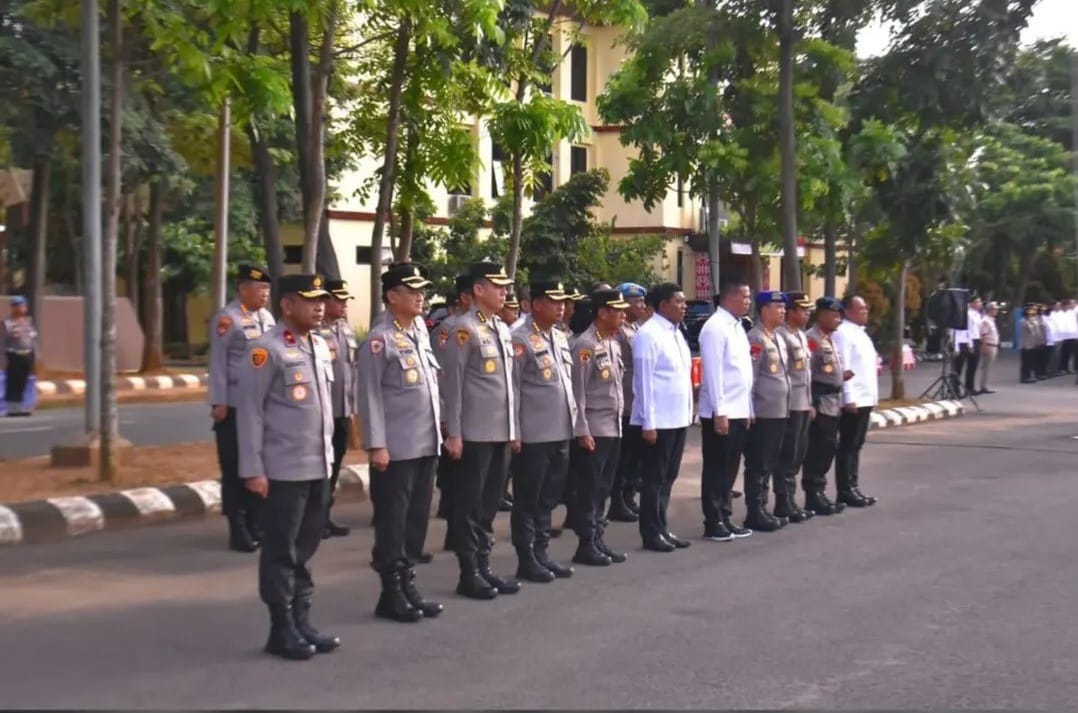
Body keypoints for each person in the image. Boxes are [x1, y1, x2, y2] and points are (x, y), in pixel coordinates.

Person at [237, 273, 338, 661]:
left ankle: (301, 618)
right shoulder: (266, 351)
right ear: (286, 305)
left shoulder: (319, 345)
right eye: (308, 300)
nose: (318, 306)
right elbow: (250, 414)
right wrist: (253, 469)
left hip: (317, 466)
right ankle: (281, 628)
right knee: (281, 550)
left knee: (305, 546)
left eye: (321, 300)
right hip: (281, 469)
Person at [356, 263, 444, 623]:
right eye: (413, 290)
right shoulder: (379, 340)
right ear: (393, 296)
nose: (421, 296)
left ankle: (408, 585)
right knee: (393, 519)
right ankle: (390, 592)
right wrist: (376, 444)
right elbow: (370, 396)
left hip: (424, 442)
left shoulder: (418, 332)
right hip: (395, 447)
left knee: (416, 518)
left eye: (422, 290)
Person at [440, 261, 521, 600]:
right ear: (478, 290)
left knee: (489, 505)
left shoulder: (501, 329)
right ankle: (469, 571)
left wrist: (513, 429)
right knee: (469, 506)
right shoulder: (463, 329)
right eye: (497, 286)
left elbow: (507, 386)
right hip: (473, 433)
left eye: (505, 286)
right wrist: (453, 432)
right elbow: (452, 386)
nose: (504, 292)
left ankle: (484, 566)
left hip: (499, 432)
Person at [509, 279, 578, 579]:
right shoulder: (520, 339)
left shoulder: (560, 337)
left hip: (560, 430)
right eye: (554, 301)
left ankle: (541, 552)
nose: (561, 306)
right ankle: (526, 559)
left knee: (548, 498)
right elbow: (512, 389)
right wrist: (515, 432)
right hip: (533, 434)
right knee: (528, 499)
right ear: (536, 305)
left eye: (563, 301)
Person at [208, 264, 275, 553]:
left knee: (260, 464)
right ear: (242, 288)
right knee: (235, 466)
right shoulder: (228, 319)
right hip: (235, 404)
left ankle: (257, 522)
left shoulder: (267, 318)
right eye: (259, 289)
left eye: (267, 290)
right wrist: (219, 401)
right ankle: (238, 527)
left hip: (263, 406)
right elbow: (218, 363)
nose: (264, 295)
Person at [570, 288, 630, 566]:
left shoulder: (612, 342)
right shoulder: (585, 345)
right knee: (590, 488)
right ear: (602, 313)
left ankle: (598, 538)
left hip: (612, 425)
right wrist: (582, 429)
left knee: (603, 486)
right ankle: (586, 542)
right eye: (617, 310)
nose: (623, 315)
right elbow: (577, 393)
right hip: (594, 428)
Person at [632, 283, 693, 553]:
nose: (684, 305)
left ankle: (662, 526)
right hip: (658, 421)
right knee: (654, 480)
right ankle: (651, 532)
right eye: (678, 301)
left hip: (678, 417)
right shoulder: (649, 334)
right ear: (663, 304)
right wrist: (648, 422)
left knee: (668, 478)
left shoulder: (677, 332)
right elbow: (643, 382)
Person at [697, 279, 755, 542]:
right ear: (730, 298)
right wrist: (720, 410)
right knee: (717, 468)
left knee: (730, 468)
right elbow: (713, 373)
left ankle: (725, 515)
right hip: (721, 412)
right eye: (744, 297)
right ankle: (713, 520)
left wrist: (749, 407)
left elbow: (743, 373)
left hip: (739, 408)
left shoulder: (737, 326)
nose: (748, 302)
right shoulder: (715, 328)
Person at [742, 291, 791, 532]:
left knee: (771, 462)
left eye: (784, 307)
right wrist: (750, 409)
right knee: (758, 464)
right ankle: (755, 511)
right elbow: (750, 379)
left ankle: (764, 508)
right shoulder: (756, 339)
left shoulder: (778, 337)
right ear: (763, 310)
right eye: (777, 307)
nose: (783, 311)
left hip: (779, 412)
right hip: (763, 413)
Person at [433, 275, 473, 549]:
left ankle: (461, 535)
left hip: (473, 415)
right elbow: (444, 376)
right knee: (457, 483)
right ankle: (455, 534)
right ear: (465, 297)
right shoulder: (447, 329)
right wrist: (447, 419)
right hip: (455, 415)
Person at [801, 297, 849, 516]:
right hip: (820, 403)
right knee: (818, 451)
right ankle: (813, 495)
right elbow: (807, 374)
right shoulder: (812, 339)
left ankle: (820, 493)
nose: (838, 319)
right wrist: (809, 403)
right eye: (833, 315)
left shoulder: (829, 338)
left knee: (828, 449)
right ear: (821, 315)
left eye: (839, 315)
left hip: (833, 402)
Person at [317, 280, 357, 539]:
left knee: (334, 466)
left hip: (342, 410)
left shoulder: (345, 328)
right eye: (338, 300)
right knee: (321, 467)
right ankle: (315, 519)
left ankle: (325, 516)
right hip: (322, 413)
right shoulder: (316, 331)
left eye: (345, 301)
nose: (343, 305)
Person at [832, 295, 879, 508]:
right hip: (854, 400)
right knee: (848, 446)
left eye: (866, 308)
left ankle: (853, 485)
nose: (865, 311)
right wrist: (848, 397)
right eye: (861, 308)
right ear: (848, 311)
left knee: (856, 445)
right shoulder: (843, 333)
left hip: (865, 397)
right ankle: (845, 489)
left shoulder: (860, 333)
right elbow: (845, 368)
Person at [608, 282, 649, 522]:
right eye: (637, 302)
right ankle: (617, 500)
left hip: (635, 400)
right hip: (624, 399)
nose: (642, 306)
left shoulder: (636, 328)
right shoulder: (620, 331)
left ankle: (628, 495)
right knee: (622, 457)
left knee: (634, 455)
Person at [774, 292, 815, 523]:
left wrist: (809, 403)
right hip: (789, 404)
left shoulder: (799, 334)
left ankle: (790, 500)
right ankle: (783, 502)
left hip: (802, 402)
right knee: (787, 455)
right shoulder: (782, 335)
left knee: (798, 454)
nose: (807, 313)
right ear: (790, 311)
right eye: (802, 309)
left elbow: (805, 374)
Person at [1, 295, 39, 417]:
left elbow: (33, 340)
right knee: (13, 382)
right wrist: (2, 358)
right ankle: (13, 408)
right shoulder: (6, 324)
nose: (22, 308)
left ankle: (21, 406)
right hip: (13, 356)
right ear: (13, 308)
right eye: (19, 306)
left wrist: (36, 356)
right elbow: (2, 343)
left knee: (23, 381)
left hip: (27, 355)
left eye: (23, 305)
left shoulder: (28, 322)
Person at [951, 294, 982, 396]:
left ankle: (970, 387)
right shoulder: (967, 314)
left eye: (980, 302)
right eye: (977, 302)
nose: (979, 304)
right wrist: (970, 344)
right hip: (966, 340)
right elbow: (967, 330)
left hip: (977, 339)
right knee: (959, 366)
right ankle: (955, 389)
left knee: (973, 366)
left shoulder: (978, 314)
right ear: (971, 303)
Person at [977, 301, 1000, 395]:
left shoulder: (991, 320)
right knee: (986, 367)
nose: (996, 311)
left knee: (988, 367)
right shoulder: (986, 321)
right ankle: (983, 386)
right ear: (990, 310)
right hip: (989, 345)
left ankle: (984, 385)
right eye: (995, 309)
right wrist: (984, 346)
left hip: (993, 345)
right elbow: (983, 335)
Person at [1020, 305, 1038, 384]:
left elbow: (1036, 329)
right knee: (1025, 362)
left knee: (1030, 361)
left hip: (1031, 343)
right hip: (1025, 344)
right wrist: (1032, 322)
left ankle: (1028, 376)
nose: (1032, 313)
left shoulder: (1031, 320)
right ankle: (1024, 377)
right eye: (1030, 312)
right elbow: (1030, 329)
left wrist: (1032, 321)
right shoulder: (1023, 321)